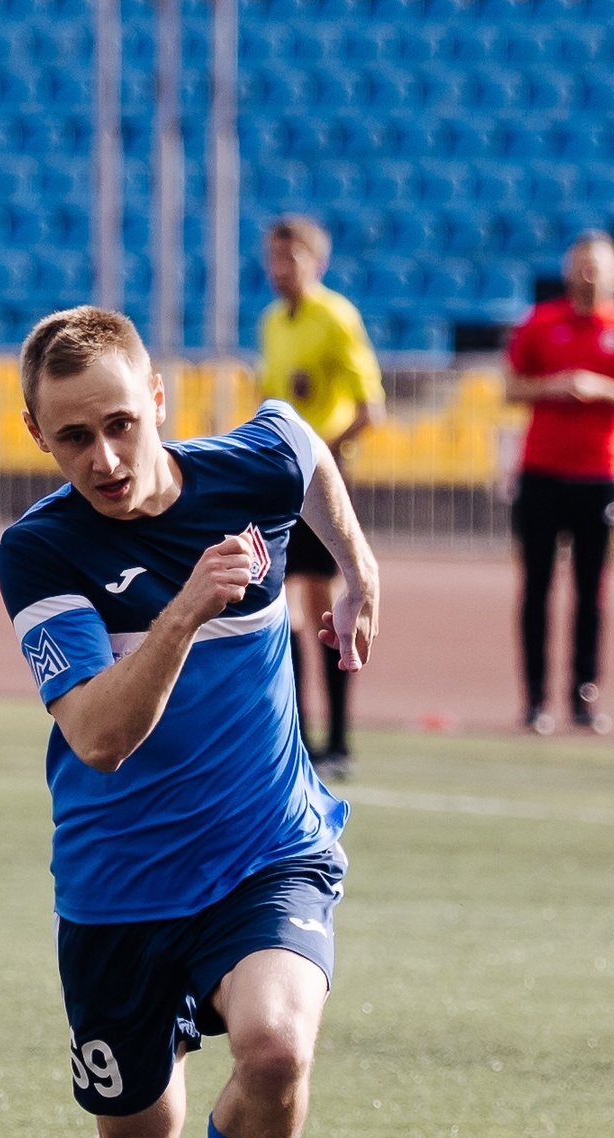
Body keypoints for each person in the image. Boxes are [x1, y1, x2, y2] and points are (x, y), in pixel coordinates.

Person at [0, 307, 382, 1138]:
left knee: (274, 1046)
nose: (106, 458)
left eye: (122, 423)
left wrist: (356, 567)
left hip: (267, 849)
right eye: (74, 437)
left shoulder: (245, 470)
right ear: (37, 435)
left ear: (159, 399)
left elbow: (302, 442)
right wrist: (183, 609)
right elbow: (99, 735)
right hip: (119, 890)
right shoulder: (42, 551)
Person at [504, 231, 614, 735]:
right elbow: (511, 387)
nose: (589, 274)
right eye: (581, 265)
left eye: (597, 266)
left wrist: (601, 389)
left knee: (591, 592)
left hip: (598, 474)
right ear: (568, 270)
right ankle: (535, 700)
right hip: (541, 472)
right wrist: (554, 387)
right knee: (536, 588)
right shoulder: (540, 323)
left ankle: (584, 697)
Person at [257, 215, 383, 782]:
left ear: (318, 262)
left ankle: (339, 740)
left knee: (325, 607)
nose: (280, 269)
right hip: (282, 479)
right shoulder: (272, 322)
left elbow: (370, 408)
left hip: (323, 477)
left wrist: (321, 454)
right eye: (274, 258)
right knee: (275, 607)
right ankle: (297, 737)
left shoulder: (335, 317)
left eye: (291, 258)